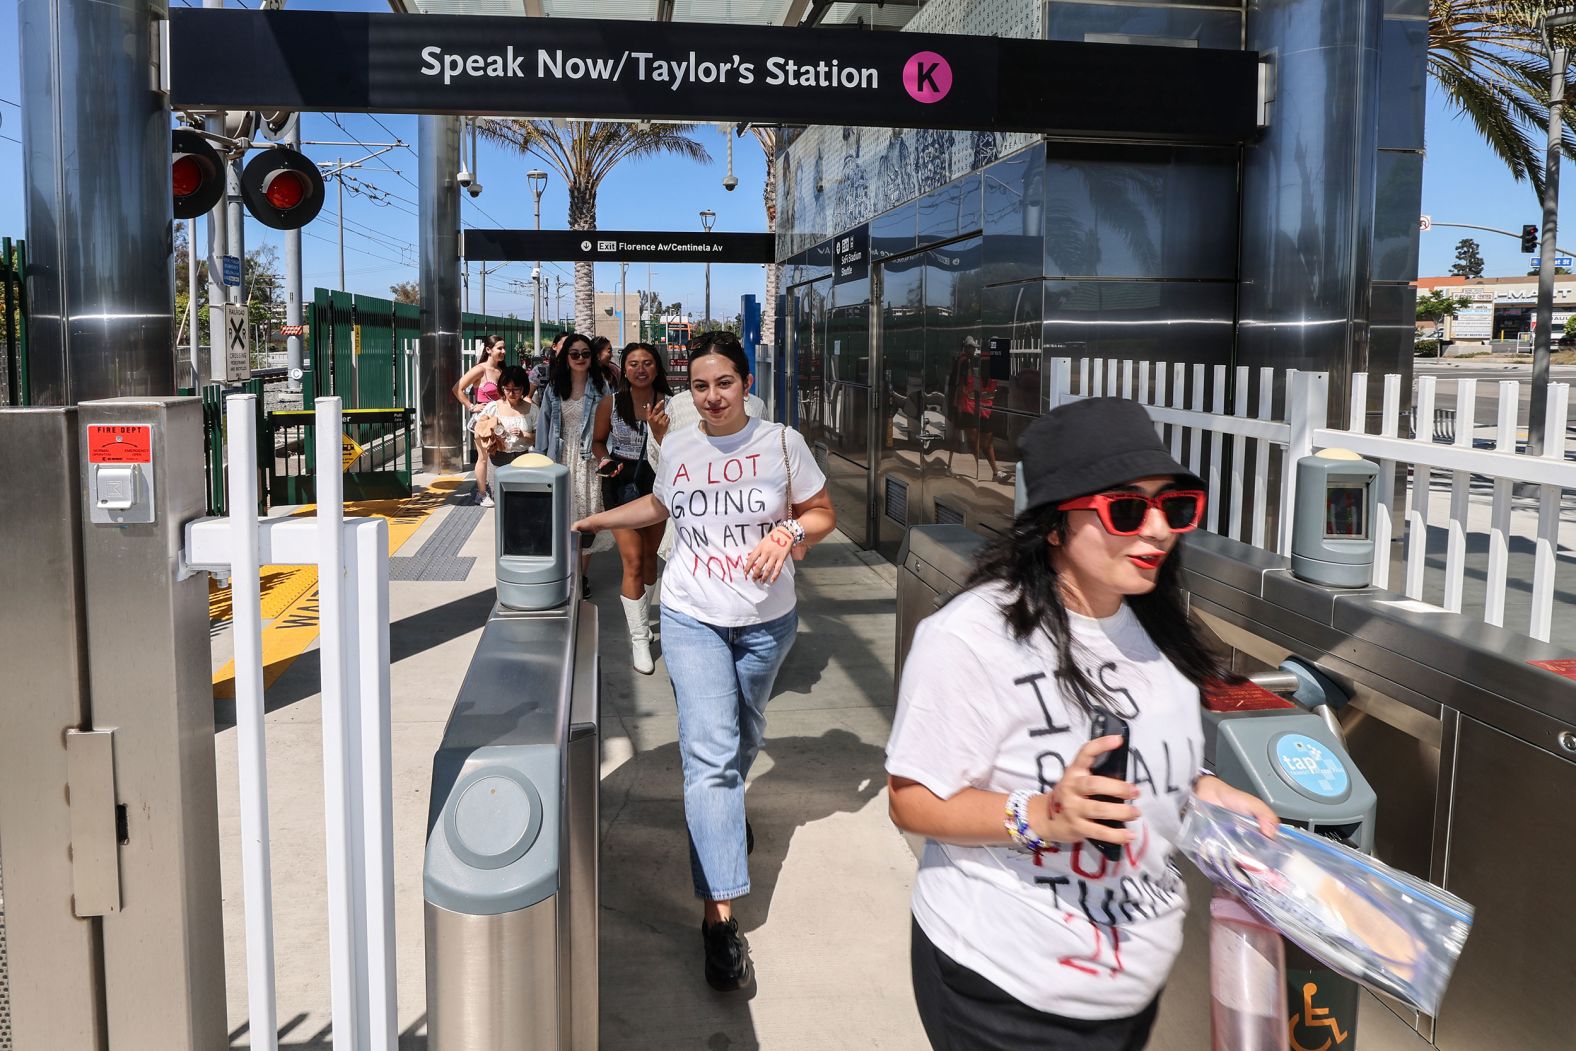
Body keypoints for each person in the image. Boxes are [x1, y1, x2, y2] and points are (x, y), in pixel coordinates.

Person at [886, 396, 1279, 1051]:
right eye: (1126, 509)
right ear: (1053, 526)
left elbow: (1152, 750)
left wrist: (1204, 786)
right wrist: (1039, 813)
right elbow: (911, 798)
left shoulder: (1157, 622)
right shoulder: (970, 635)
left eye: (1172, 505)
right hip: (1006, 992)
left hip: (1129, 988)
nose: (1157, 529)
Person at [571, 331, 836, 992]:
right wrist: (593, 523)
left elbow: (822, 511)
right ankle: (720, 918)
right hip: (691, 615)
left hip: (766, 623)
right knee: (710, 754)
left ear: (745, 383)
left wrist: (790, 530)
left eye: (724, 383)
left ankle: (723, 812)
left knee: (743, 737)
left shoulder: (782, 443)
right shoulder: (682, 444)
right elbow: (663, 505)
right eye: (701, 386)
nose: (712, 397)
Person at [592, 342, 672, 675]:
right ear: (624, 369)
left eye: (648, 363)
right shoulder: (610, 404)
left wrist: (662, 434)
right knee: (633, 561)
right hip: (622, 482)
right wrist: (605, 459)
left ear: (658, 368)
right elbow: (597, 442)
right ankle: (639, 637)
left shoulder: (673, 404)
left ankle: (644, 617)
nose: (641, 369)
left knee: (652, 557)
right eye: (634, 363)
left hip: (659, 481)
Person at [534, 332, 616, 592]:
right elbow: (543, 427)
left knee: (586, 519)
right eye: (574, 354)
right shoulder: (554, 388)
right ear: (565, 357)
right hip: (559, 459)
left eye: (585, 354)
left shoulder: (602, 386)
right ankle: (565, 575)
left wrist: (608, 457)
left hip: (588, 462)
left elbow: (611, 426)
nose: (580, 358)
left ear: (592, 357)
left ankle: (580, 578)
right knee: (561, 517)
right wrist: (540, 461)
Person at [453, 335, 506, 504]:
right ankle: (482, 493)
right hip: (484, 419)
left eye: (504, 348)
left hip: (501, 418)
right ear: (488, 350)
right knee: (483, 457)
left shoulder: (501, 371)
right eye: (499, 348)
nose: (503, 351)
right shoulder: (480, 369)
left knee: (502, 455)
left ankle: (500, 490)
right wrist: (471, 406)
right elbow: (457, 388)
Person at [474, 365, 537, 474]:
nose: (511, 393)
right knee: (497, 490)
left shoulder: (533, 409)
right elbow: (479, 430)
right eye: (507, 389)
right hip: (497, 459)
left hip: (523, 459)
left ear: (523, 388)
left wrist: (523, 434)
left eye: (516, 389)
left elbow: (539, 438)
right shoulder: (493, 407)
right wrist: (492, 433)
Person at [529, 332, 567, 401]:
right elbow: (527, 397)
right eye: (565, 344)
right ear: (554, 346)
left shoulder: (576, 370)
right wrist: (538, 411)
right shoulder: (539, 370)